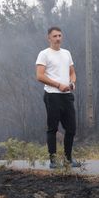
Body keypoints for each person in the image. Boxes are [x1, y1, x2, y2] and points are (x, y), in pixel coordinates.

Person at [36, 26, 80, 169]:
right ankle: (53, 161)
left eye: (60, 35)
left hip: (67, 96)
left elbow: (72, 72)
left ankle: (68, 159)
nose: (58, 38)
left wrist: (72, 83)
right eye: (54, 36)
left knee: (71, 128)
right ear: (49, 38)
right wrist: (58, 85)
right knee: (52, 129)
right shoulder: (44, 54)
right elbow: (40, 76)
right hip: (52, 95)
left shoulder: (66, 53)